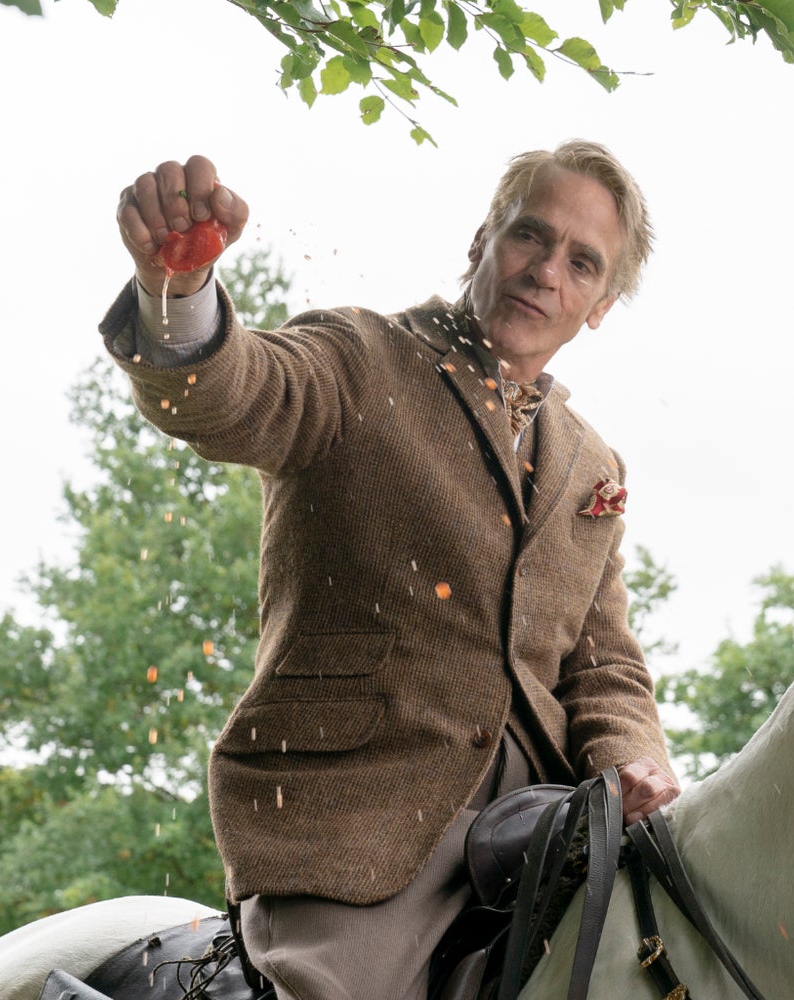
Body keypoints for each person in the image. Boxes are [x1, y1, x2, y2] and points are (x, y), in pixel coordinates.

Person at [97, 142, 681, 1000]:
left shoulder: (593, 463)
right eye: (531, 235)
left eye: (582, 262)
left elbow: (603, 665)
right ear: (483, 241)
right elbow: (233, 395)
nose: (547, 270)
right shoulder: (358, 356)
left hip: (548, 843)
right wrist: (176, 290)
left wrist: (637, 763)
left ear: (598, 304)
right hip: (360, 822)